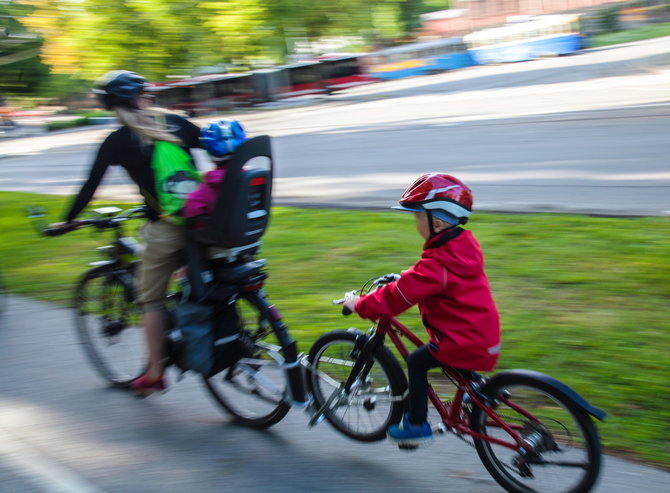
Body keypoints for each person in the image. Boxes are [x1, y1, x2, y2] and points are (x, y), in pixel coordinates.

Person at [50, 70, 202, 396]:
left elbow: (90, 186)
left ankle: (154, 374)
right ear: (144, 96)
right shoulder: (177, 124)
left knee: (150, 299)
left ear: (112, 106)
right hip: (205, 222)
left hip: (168, 229)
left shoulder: (117, 141)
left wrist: (68, 221)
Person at [342, 174, 501, 445]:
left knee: (417, 362)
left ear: (437, 222)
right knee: (448, 356)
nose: (416, 224)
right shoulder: (462, 247)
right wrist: (406, 277)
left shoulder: (437, 265)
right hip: (482, 334)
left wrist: (359, 304)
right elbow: (428, 279)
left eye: (418, 218)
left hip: (462, 340)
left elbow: (394, 300)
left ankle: (417, 426)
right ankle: (482, 392)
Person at [182, 118, 248, 222]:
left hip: (220, 236)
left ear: (208, 152)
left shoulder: (207, 189)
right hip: (252, 233)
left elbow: (190, 211)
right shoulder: (250, 178)